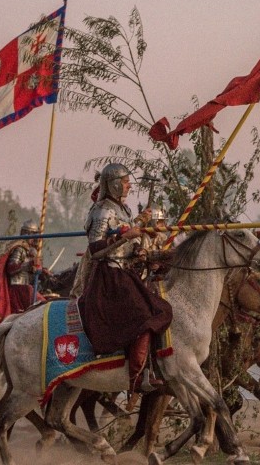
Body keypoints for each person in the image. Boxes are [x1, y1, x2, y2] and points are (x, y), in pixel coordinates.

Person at [78, 163, 172, 400]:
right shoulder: (101, 211)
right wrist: (123, 237)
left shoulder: (124, 210)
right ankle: (137, 377)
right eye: (126, 181)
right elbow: (96, 250)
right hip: (109, 277)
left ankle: (151, 365)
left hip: (126, 271)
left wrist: (138, 249)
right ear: (114, 183)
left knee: (160, 307)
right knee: (145, 314)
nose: (130, 186)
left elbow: (130, 241)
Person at [0, 220, 47, 319]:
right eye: (33, 235)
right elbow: (11, 268)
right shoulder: (19, 248)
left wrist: (40, 270)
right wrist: (29, 264)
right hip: (18, 288)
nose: (35, 238)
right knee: (42, 305)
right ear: (27, 234)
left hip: (26, 286)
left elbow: (31, 271)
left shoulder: (30, 250)